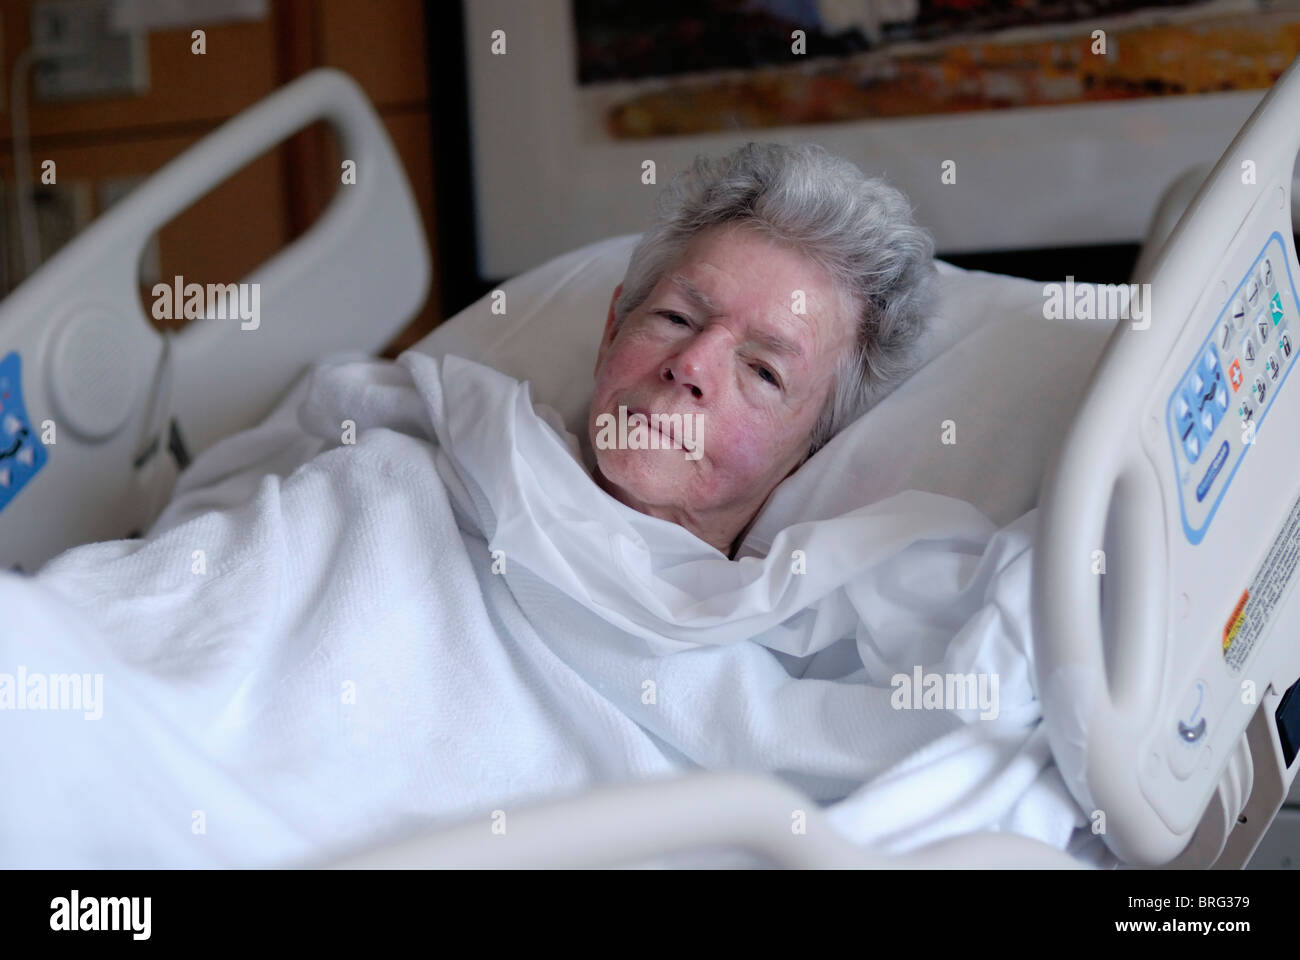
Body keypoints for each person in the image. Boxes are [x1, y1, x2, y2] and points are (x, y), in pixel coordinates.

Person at [586, 142, 937, 556]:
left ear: (813, 448)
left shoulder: (834, 615)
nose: (691, 365)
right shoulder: (492, 462)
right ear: (612, 330)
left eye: (763, 371)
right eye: (675, 318)